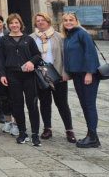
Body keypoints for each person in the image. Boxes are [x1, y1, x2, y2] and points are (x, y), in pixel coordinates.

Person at [0, 13, 42, 146]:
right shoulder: (4, 40)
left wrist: (31, 62)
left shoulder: (28, 39)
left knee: (32, 104)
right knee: (17, 105)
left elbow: (37, 55)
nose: (14, 25)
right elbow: (0, 58)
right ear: (8, 25)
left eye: (16, 23)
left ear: (20, 24)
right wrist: (2, 75)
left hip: (28, 75)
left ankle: (35, 134)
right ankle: (22, 132)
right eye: (11, 23)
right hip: (12, 75)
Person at [32, 12, 76, 143]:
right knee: (44, 103)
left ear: (48, 22)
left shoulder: (59, 36)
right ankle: (47, 128)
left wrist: (65, 73)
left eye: (43, 20)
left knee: (62, 103)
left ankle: (69, 130)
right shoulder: (32, 37)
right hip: (41, 75)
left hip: (58, 75)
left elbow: (65, 56)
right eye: (38, 20)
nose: (40, 22)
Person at [61, 12, 101, 148]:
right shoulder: (68, 36)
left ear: (76, 21)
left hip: (87, 74)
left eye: (71, 20)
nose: (68, 22)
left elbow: (90, 53)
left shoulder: (82, 34)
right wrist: (68, 72)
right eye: (65, 20)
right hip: (77, 75)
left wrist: (90, 73)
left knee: (89, 105)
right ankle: (91, 135)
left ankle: (93, 137)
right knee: (84, 104)